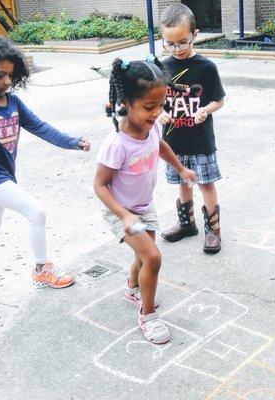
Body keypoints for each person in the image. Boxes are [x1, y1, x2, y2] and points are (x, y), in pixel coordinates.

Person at [0, 36, 91, 295]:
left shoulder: (12, 101)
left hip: (4, 175)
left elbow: (38, 126)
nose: (6, 81)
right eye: (0, 75)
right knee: (35, 213)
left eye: (10, 75)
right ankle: (42, 269)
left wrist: (72, 142)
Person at [94, 57, 196, 344]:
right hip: (121, 210)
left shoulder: (152, 127)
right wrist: (124, 216)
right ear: (126, 102)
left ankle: (132, 287)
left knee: (143, 258)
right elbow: (100, 186)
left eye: (161, 105)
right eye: (149, 107)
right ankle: (148, 317)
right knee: (153, 257)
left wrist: (180, 168)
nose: (156, 113)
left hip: (143, 206)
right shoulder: (117, 143)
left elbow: (160, 144)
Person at [158, 4, 226, 254]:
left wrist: (205, 111)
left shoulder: (206, 67)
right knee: (183, 181)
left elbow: (218, 100)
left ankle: (213, 230)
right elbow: (154, 103)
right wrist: (160, 114)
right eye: (170, 43)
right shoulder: (162, 68)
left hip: (200, 139)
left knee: (205, 183)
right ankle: (187, 224)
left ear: (195, 34)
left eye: (182, 42)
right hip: (173, 142)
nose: (176, 49)